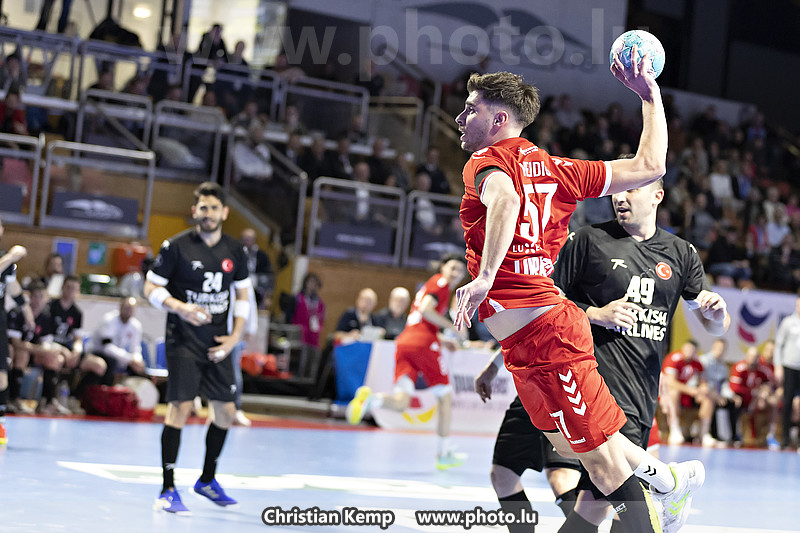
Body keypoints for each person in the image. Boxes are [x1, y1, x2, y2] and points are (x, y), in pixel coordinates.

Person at [451, 58, 709, 533]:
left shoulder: (484, 162)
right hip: (524, 344)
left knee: (603, 468)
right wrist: (650, 97)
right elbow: (650, 165)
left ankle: (659, 502)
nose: (461, 118)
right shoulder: (559, 169)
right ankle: (668, 479)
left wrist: (486, 276)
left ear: (499, 119)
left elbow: (506, 199)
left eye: (471, 109)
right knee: (569, 447)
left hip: (548, 335)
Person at [475, 177, 729, 532]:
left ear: (657, 195)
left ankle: (668, 483)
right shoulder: (588, 240)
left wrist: (717, 315)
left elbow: (715, 325)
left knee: (595, 500)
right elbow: (540, 305)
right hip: (571, 377)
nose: (620, 197)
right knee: (531, 476)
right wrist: (595, 314)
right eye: (616, 191)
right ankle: (668, 481)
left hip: (632, 393)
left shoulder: (681, 253)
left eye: (632, 189)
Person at [144, 181, 251, 514]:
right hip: (184, 341)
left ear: (225, 213)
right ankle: (167, 489)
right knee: (181, 407)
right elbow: (150, 287)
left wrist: (234, 338)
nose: (208, 214)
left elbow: (243, 297)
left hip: (219, 343)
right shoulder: (176, 247)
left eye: (214, 208)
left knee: (226, 412)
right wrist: (180, 307)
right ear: (194, 211)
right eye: (203, 208)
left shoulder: (236, 251)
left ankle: (207, 480)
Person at [346, 254, 468, 469]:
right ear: (443, 267)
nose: (456, 273)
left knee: (402, 402)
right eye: (453, 268)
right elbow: (426, 310)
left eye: (460, 270)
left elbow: (419, 320)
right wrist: (453, 327)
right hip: (422, 345)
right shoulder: (441, 283)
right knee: (445, 397)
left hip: (406, 342)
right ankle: (444, 453)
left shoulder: (431, 285)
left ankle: (371, 401)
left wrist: (440, 338)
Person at [8, 281, 73, 415]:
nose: (38, 301)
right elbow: (16, 343)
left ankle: (47, 401)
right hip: (14, 351)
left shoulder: (45, 316)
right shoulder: (18, 312)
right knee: (22, 354)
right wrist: (39, 349)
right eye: (35, 296)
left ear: (47, 298)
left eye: (41, 297)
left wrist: (59, 350)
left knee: (54, 358)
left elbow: (46, 343)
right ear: (29, 297)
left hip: (32, 351)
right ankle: (14, 399)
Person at [0, 219, 29, 443]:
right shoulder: (6, 258)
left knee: (1, 372)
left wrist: (27, 310)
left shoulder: (5, 259)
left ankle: (0, 423)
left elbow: (13, 287)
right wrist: (11, 256)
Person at [662, 339, 716, 446]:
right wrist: (690, 390)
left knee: (708, 398)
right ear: (683, 348)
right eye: (688, 349)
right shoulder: (674, 358)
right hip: (666, 393)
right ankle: (674, 430)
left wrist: (703, 389)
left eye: (693, 350)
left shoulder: (697, 363)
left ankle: (704, 433)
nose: (690, 352)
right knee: (674, 393)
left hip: (687, 393)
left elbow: (703, 382)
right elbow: (670, 382)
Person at [48, 274, 84, 409]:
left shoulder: (77, 312)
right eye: (68, 287)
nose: (70, 291)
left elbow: (78, 338)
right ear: (62, 288)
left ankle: (74, 398)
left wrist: (77, 351)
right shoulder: (51, 307)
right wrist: (63, 350)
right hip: (51, 345)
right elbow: (45, 337)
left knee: (98, 365)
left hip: (68, 348)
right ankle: (50, 400)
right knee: (58, 359)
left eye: (74, 288)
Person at [774, 295, 800, 450]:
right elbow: (779, 345)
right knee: (787, 402)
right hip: (789, 366)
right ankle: (785, 438)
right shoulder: (788, 322)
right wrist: (778, 366)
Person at [240, 228, 273, 309]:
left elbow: (268, 276)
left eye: (249, 239)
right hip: (241, 287)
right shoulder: (238, 253)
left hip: (257, 291)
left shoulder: (262, 256)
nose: (246, 241)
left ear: (254, 240)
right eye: (244, 239)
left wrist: (267, 296)